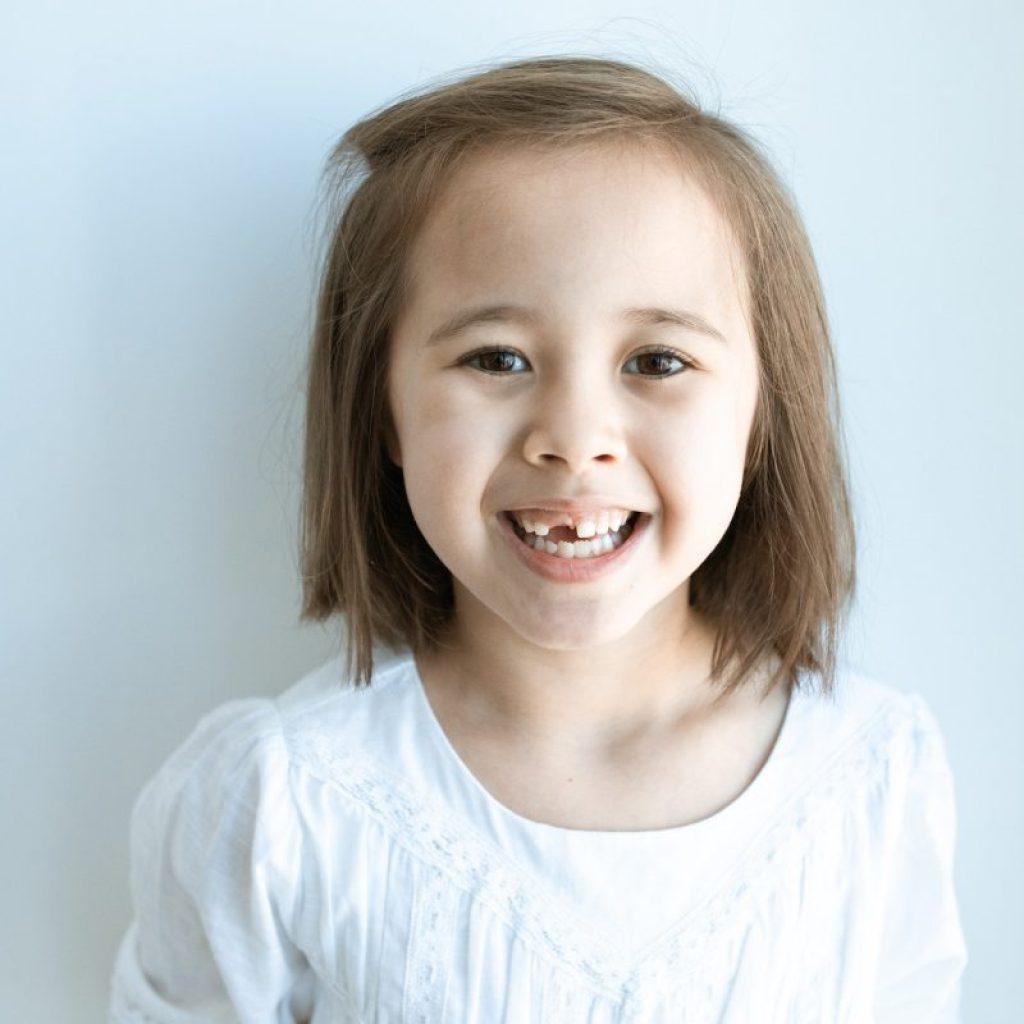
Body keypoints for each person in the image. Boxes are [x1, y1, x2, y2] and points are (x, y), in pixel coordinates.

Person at [108, 55, 967, 1022]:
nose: (573, 438)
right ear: (382, 410)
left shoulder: (871, 779)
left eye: (657, 359)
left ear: (762, 411)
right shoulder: (277, 804)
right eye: (497, 358)